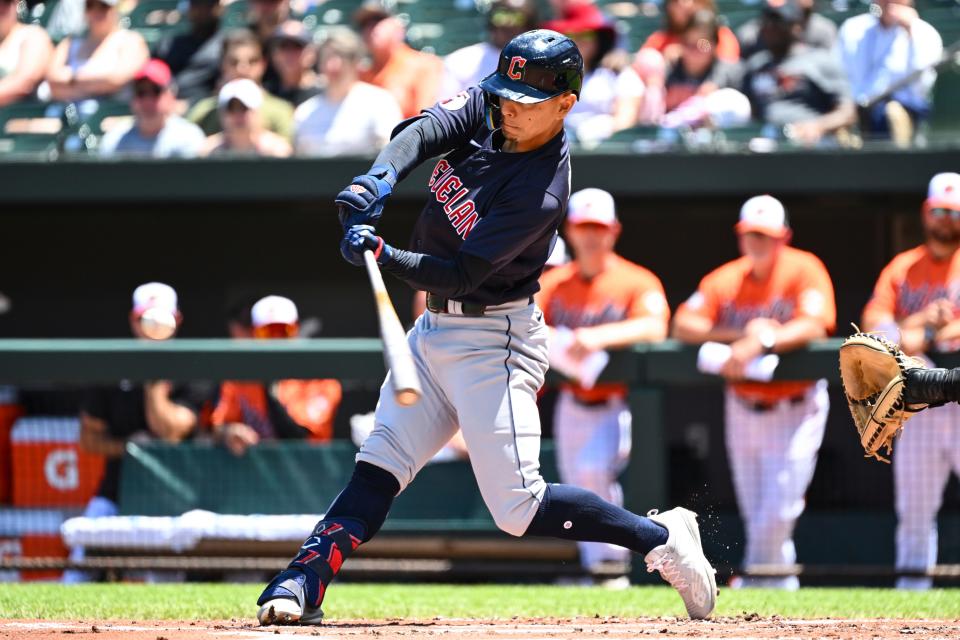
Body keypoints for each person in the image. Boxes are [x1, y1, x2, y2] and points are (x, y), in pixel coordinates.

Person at [255, 29, 717, 627]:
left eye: (526, 102)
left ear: (565, 104)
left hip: (495, 340)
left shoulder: (543, 189)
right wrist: (380, 179)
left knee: (518, 507)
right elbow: (421, 131)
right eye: (505, 94)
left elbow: (462, 273)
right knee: (379, 464)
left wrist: (383, 253)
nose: (508, 109)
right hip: (433, 331)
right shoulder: (493, 104)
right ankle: (303, 578)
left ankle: (662, 537)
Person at [672, 195, 835, 590]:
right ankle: (778, 590)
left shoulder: (804, 268)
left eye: (765, 236)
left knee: (778, 510)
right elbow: (683, 324)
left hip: (796, 405)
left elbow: (816, 324)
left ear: (784, 237)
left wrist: (764, 340)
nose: (757, 243)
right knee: (758, 513)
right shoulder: (727, 278)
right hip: (743, 404)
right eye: (750, 235)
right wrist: (739, 335)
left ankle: (753, 580)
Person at [535, 188, 670, 580]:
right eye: (583, 227)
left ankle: (612, 566)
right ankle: (597, 570)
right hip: (571, 402)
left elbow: (655, 326)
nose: (591, 236)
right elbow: (523, 323)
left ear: (613, 231)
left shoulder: (635, 279)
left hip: (616, 402)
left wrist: (597, 337)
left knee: (595, 474)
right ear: (570, 231)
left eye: (598, 228)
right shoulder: (555, 282)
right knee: (575, 485)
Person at [65, 283, 209, 582]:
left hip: (175, 496)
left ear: (176, 320)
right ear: (133, 319)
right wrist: (129, 449)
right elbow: (88, 439)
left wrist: (153, 377)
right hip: (116, 491)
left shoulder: (193, 366)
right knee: (78, 565)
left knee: (165, 583)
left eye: (161, 319)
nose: (152, 327)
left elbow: (169, 432)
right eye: (145, 318)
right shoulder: (113, 366)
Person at [860, 172, 960, 590]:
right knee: (915, 508)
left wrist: (939, 332)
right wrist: (920, 324)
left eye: (953, 213)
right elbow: (871, 328)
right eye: (939, 211)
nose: (945, 220)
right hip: (919, 399)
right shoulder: (903, 268)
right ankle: (911, 597)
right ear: (925, 212)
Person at [211, 295, 342, 456]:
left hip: (308, 472)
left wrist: (267, 385)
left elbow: (299, 438)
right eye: (267, 332)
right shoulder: (239, 378)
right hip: (256, 473)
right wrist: (229, 432)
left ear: (296, 330)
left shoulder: (319, 381)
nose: (276, 339)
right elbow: (217, 426)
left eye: (283, 331)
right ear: (253, 333)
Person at [739, 0, 855, 146]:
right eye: (766, 22)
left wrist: (818, 126)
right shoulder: (755, 66)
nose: (770, 28)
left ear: (796, 26)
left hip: (810, 144)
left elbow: (848, 113)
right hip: (765, 142)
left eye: (777, 22)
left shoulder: (820, 61)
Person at [838, 0, 943, 145]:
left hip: (904, 107)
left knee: (892, 113)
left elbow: (921, 86)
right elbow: (842, 75)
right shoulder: (853, 28)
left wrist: (910, 31)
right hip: (857, 107)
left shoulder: (925, 33)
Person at [543, 3, 645, 142]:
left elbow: (626, 119)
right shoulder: (545, 75)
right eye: (570, 34)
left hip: (605, 152)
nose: (578, 40)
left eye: (586, 34)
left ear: (599, 39)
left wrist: (600, 129)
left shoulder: (617, 72)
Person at [293, 29, 402, 157]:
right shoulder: (305, 112)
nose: (333, 65)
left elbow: (393, 154)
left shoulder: (381, 102)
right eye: (327, 57)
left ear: (356, 61)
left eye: (341, 56)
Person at [642, 9, 748, 128]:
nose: (694, 51)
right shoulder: (668, 70)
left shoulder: (732, 73)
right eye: (688, 43)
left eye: (702, 44)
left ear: (714, 45)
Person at [187, 29, 295, 141]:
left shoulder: (281, 111)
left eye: (252, 61)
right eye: (234, 62)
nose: (243, 69)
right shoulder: (204, 111)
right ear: (223, 65)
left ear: (263, 65)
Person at [44, 0, 149, 102]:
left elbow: (115, 80)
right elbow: (52, 79)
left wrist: (72, 79)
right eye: (90, 6)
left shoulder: (130, 40)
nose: (96, 12)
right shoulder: (70, 42)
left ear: (115, 9)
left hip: (110, 116)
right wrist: (96, 84)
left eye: (103, 7)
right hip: (67, 111)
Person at [98, 59, 206, 158]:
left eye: (155, 92)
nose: (147, 101)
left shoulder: (188, 137)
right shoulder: (115, 140)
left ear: (170, 95)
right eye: (141, 92)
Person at [354, 1, 443, 119]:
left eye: (377, 20)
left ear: (399, 27)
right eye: (364, 24)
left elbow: (425, 121)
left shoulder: (425, 65)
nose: (370, 28)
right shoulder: (360, 75)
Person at [440, 0, 539, 98]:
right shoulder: (460, 60)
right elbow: (446, 109)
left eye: (517, 19)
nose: (508, 24)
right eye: (501, 16)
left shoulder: (544, 62)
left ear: (530, 27)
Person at [199, 78, 292, 156]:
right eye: (231, 109)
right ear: (222, 114)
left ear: (257, 112)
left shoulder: (276, 152)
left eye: (244, 108)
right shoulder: (208, 152)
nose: (238, 115)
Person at [156, 0, 225, 103]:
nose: (202, 10)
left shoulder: (228, 46)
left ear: (220, 8)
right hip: (166, 108)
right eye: (196, 4)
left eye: (208, 4)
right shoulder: (168, 45)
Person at [641, 0, 739, 65]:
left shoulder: (719, 35)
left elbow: (728, 63)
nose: (684, 4)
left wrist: (688, 52)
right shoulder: (660, 40)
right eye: (676, 1)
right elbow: (640, 66)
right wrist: (663, 61)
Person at [737, 0, 837, 59]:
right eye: (770, 23)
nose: (774, 28)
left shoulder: (823, 30)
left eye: (779, 23)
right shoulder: (749, 35)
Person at [0, 0, 53, 107]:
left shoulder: (33, 35)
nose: (1, 8)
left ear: (16, 4)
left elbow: (25, 83)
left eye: (6, 2)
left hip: (18, 117)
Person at [264, 20, 319, 106]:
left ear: (311, 53)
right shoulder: (265, 94)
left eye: (297, 46)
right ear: (274, 54)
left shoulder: (326, 93)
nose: (289, 54)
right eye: (284, 46)